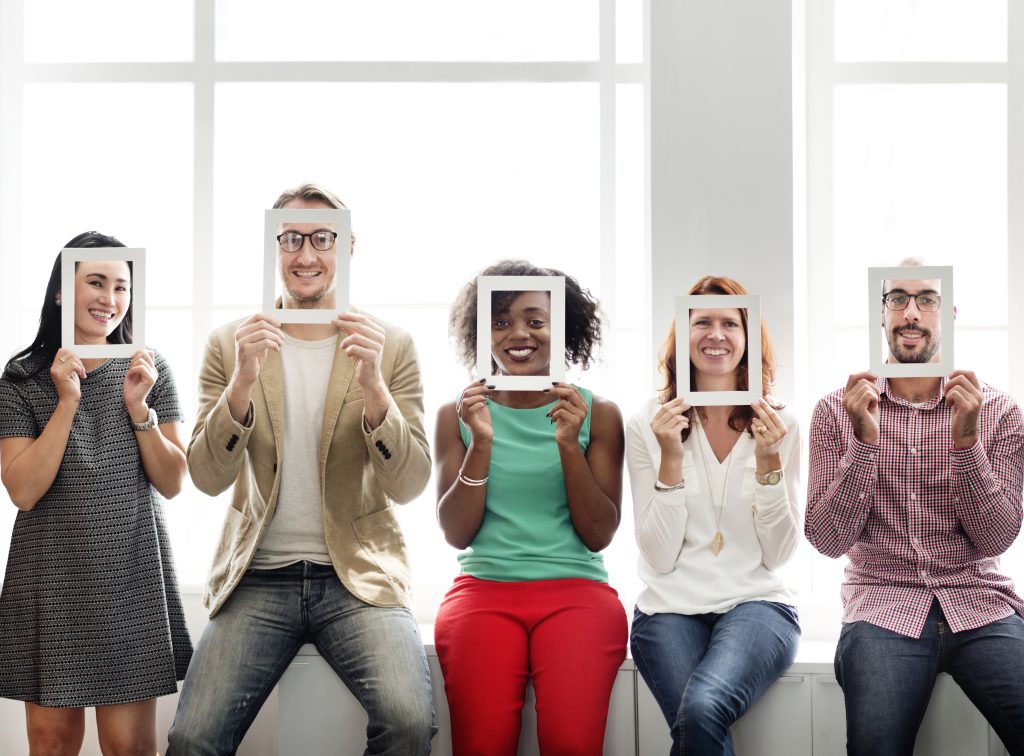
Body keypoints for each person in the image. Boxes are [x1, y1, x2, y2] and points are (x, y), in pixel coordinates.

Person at [166, 183, 434, 755]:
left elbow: (409, 484)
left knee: (410, 721)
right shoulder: (229, 343)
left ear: (349, 246)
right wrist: (240, 380)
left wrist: (374, 389)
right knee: (192, 738)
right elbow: (208, 478)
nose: (306, 254)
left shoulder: (392, 345)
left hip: (358, 580)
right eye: (291, 239)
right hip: (259, 575)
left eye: (321, 238)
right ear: (274, 248)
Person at [806, 260, 1024, 755]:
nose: (911, 313)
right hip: (882, 607)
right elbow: (825, 540)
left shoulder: (1000, 411)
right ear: (880, 314)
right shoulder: (835, 410)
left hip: (980, 604)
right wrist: (863, 442)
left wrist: (966, 442)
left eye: (926, 299)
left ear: (947, 313)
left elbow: (996, 540)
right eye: (897, 299)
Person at [0, 232, 191, 754]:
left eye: (121, 287)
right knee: (53, 743)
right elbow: (22, 490)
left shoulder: (148, 369)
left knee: (129, 747)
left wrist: (138, 409)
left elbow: (173, 483)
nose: (110, 298)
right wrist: (66, 402)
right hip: (49, 579)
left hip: (129, 574)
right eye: (96, 282)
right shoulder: (23, 377)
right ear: (63, 291)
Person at [434, 260, 627, 755]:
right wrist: (480, 441)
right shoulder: (456, 414)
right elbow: (457, 533)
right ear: (482, 335)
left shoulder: (597, 414)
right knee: (481, 746)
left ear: (562, 330)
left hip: (577, 591)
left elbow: (599, 533)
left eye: (535, 320)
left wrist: (567, 442)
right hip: (483, 590)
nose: (518, 333)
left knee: (570, 743)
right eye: (500, 322)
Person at [626, 275, 801, 754]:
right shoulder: (648, 422)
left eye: (730, 322)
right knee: (697, 717)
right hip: (669, 607)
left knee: (701, 709)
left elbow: (779, 553)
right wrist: (669, 458)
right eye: (701, 321)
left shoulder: (781, 422)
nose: (716, 334)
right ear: (682, 336)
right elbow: (659, 557)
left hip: (758, 603)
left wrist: (769, 462)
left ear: (748, 339)